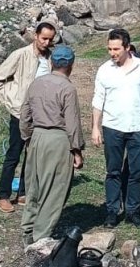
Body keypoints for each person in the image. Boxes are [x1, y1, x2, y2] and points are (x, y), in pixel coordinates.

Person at [92, 28, 140, 228]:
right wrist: (95, 127)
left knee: (137, 171)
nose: (112, 53)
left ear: (127, 47)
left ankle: (133, 210)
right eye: (109, 49)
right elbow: (98, 99)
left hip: (138, 126)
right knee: (113, 171)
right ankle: (113, 211)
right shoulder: (105, 69)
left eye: (116, 49)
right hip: (113, 126)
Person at [20, 45, 84, 246]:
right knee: (55, 189)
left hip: (37, 136)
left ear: (51, 63)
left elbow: (24, 115)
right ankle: (41, 237)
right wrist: (77, 150)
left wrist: (28, 138)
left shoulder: (36, 84)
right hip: (58, 139)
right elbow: (72, 123)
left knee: (34, 186)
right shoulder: (68, 88)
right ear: (71, 65)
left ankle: (27, 229)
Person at [0, 22, 57, 212]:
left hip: (41, 114)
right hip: (20, 113)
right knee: (14, 153)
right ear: (35, 35)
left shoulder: (50, 59)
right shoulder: (20, 55)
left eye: (50, 39)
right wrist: (13, 102)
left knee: (32, 155)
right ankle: (3, 195)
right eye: (43, 38)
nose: (46, 42)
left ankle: (23, 192)